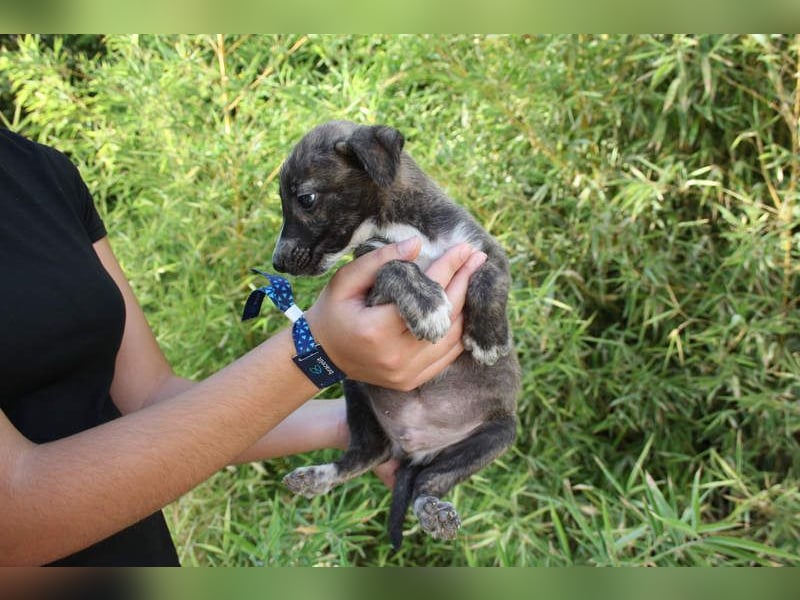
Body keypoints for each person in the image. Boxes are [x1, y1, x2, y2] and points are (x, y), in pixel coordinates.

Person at [0, 128, 487, 566]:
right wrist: (317, 354)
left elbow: (150, 399)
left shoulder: (41, 171)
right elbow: (13, 522)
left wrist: (357, 426)